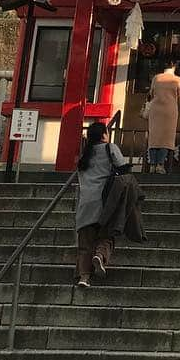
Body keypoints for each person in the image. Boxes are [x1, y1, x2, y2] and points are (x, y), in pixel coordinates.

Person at [74, 121, 126, 287]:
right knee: (107, 236)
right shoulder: (110, 148)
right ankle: (100, 255)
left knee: (84, 245)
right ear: (104, 134)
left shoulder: (84, 155)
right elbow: (123, 168)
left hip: (85, 204)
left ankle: (84, 277)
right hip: (105, 202)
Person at [145, 63, 180, 173]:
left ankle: (152, 164)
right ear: (174, 67)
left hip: (156, 109)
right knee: (166, 138)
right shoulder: (177, 79)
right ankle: (160, 165)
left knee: (154, 137)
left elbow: (151, 92)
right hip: (169, 110)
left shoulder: (156, 78)